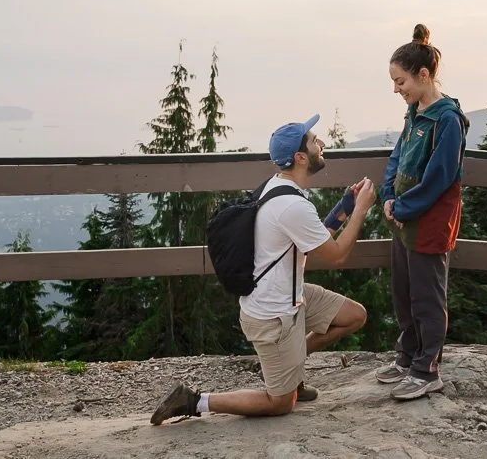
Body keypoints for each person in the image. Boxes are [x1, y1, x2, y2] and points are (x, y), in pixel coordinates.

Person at [150, 113, 377, 423]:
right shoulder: (292, 205)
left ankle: (292, 367)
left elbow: (315, 237)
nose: (321, 143)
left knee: (354, 316)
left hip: (291, 296)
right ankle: (194, 401)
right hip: (274, 314)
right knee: (280, 403)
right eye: (314, 141)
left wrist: (345, 208)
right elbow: (336, 255)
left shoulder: (279, 186)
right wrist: (362, 210)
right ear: (300, 157)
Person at [376, 24, 469, 400]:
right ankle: (408, 354)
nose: (397, 89)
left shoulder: (448, 119)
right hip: (403, 219)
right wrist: (387, 194)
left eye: (401, 81)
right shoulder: (415, 111)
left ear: (424, 74)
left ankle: (427, 368)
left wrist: (403, 206)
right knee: (404, 291)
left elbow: (440, 176)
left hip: (429, 222)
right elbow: (398, 157)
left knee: (427, 296)